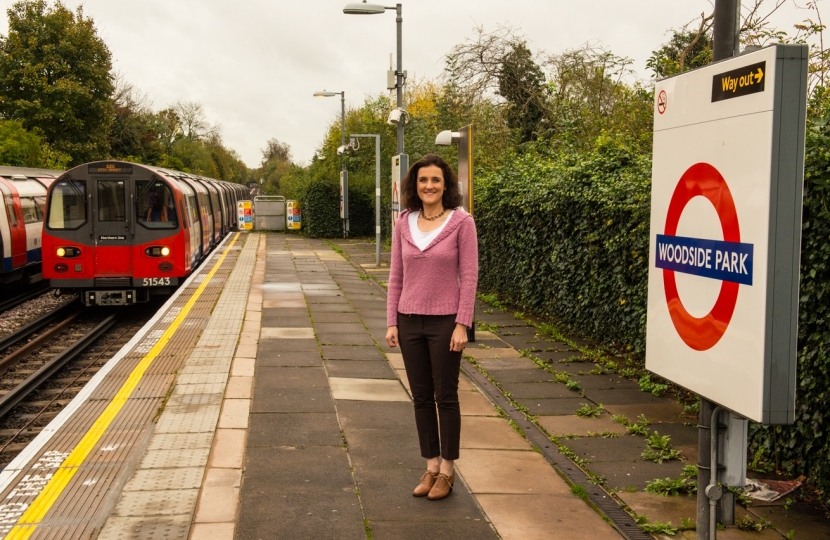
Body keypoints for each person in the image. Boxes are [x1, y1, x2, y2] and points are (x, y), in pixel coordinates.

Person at [385, 153, 478, 501]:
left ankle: (448, 471)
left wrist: (462, 324)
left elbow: (469, 277)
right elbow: (396, 276)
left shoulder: (461, 222)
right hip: (409, 321)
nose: (429, 186)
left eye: (435, 180)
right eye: (423, 180)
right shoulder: (403, 223)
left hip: (445, 322)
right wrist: (392, 320)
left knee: (446, 396)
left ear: (446, 185)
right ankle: (430, 465)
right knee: (421, 397)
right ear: (415, 185)